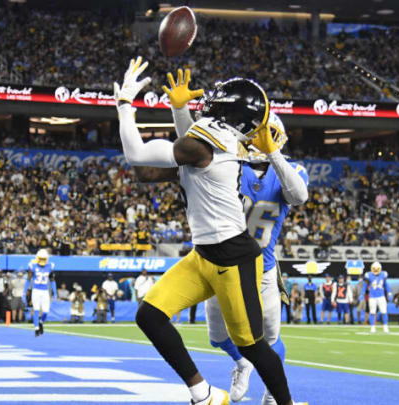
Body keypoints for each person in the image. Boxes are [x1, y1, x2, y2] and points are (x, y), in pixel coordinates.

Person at [117, 59, 299, 405]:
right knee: (150, 315)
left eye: (219, 98)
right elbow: (150, 170)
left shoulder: (205, 143)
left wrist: (125, 105)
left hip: (234, 257)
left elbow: (136, 154)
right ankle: (205, 395)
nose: (211, 100)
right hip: (203, 254)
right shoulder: (215, 142)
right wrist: (178, 108)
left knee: (252, 346)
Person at [197, 112, 307, 403]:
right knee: (218, 337)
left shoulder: (291, 170)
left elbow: (299, 196)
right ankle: (242, 361)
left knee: (269, 338)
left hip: (264, 268)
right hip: (224, 263)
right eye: (256, 134)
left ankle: (274, 390)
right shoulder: (230, 167)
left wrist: (272, 154)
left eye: (266, 135)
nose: (258, 140)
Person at [28, 249, 56, 336]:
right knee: (36, 310)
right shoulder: (33, 265)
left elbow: (52, 280)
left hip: (45, 291)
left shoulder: (50, 266)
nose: (42, 260)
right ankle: (36, 328)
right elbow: (28, 280)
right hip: (36, 290)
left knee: (46, 311)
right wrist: (26, 291)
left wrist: (54, 291)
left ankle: (40, 321)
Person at [363, 262, 390, 333]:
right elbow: (365, 286)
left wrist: (389, 292)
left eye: (376, 269)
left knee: (384, 311)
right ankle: (372, 327)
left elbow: (386, 284)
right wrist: (362, 294)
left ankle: (385, 327)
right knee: (372, 312)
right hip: (372, 296)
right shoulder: (368, 275)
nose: (375, 270)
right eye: (374, 269)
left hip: (381, 296)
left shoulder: (383, 274)